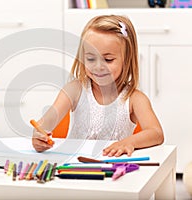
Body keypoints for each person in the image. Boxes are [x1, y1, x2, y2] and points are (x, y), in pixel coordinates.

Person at [32, 15, 164, 157]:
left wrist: (129, 142)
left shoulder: (135, 99)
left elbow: (156, 133)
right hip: (73, 168)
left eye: (108, 59)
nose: (98, 66)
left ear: (127, 59)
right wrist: (39, 136)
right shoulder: (74, 90)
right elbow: (44, 124)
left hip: (111, 170)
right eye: (91, 58)